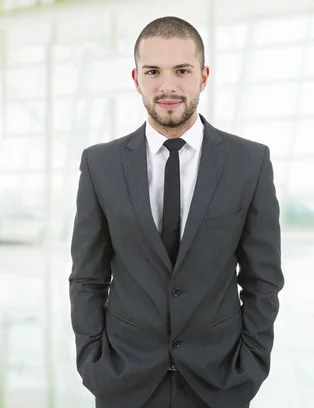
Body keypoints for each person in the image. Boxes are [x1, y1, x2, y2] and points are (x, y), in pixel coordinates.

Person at [68, 16, 284, 408]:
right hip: (123, 382)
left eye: (181, 71)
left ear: (203, 76)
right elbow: (87, 277)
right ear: (136, 79)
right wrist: (93, 363)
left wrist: (249, 366)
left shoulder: (249, 162)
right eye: (153, 72)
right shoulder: (100, 165)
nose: (167, 86)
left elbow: (262, 280)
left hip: (219, 382)